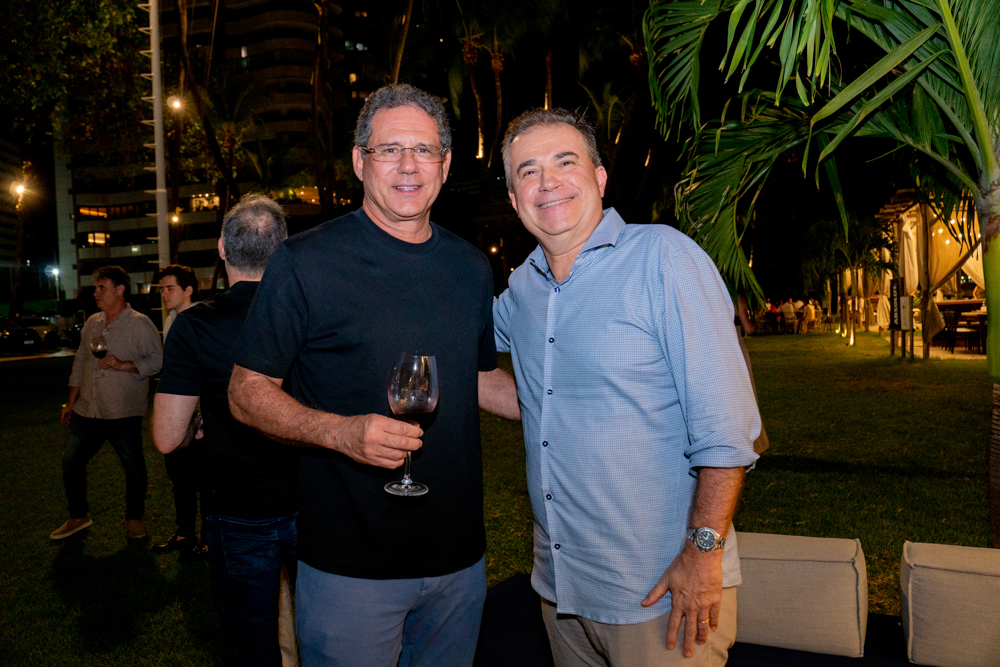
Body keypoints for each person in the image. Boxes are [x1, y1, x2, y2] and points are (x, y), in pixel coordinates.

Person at [227, 84, 519, 667]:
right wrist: (340, 433)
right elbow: (246, 392)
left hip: (459, 562)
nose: (408, 165)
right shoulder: (304, 261)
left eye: (424, 150)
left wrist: (561, 402)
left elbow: (478, 377)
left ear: (445, 164)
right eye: (390, 149)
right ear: (360, 162)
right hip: (349, 567)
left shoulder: (470, 267)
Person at [493, 109, 760, 666]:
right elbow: (473, 361)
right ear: (515, 200)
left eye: (565, 162)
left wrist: (702, 555)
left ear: (599, 178)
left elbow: (727, 429)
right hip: (561, 590)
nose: (548, 183)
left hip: (662, 593)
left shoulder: (663, 258)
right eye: (528, 171)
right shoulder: (522, 290)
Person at [153, 194, 299, 665]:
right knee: (329, 641)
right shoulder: (311, 313)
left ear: (221, 248)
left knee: (252, 647)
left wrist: (197, 422)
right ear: (283, 249)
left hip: (238, 508)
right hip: (315, 499)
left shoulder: (194, 326)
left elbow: (167, 437)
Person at [50, 266, 163, 540]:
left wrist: (125, 365)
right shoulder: (93, 322)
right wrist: (70, 402)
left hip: (121, 410)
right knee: (71, 461)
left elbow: (158, 360)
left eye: (102, 287)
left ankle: (134, 519)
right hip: (87, 409)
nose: (96, 293)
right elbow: (80, 362)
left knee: (133, 465)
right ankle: (79, 516)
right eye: (96, 287)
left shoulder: (140, 323)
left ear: (120, 289)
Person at [152, 264, 209, 557]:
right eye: (162, 289)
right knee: (179, 475)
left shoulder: (202, 319)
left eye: (170, 288)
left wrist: (202, 414)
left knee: (205, 478)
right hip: (177, 412)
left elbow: (206, 369)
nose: (164, 294)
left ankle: (210, 537)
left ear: (188, 290)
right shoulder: (171, 320)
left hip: (199, 413)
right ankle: (185, 532)